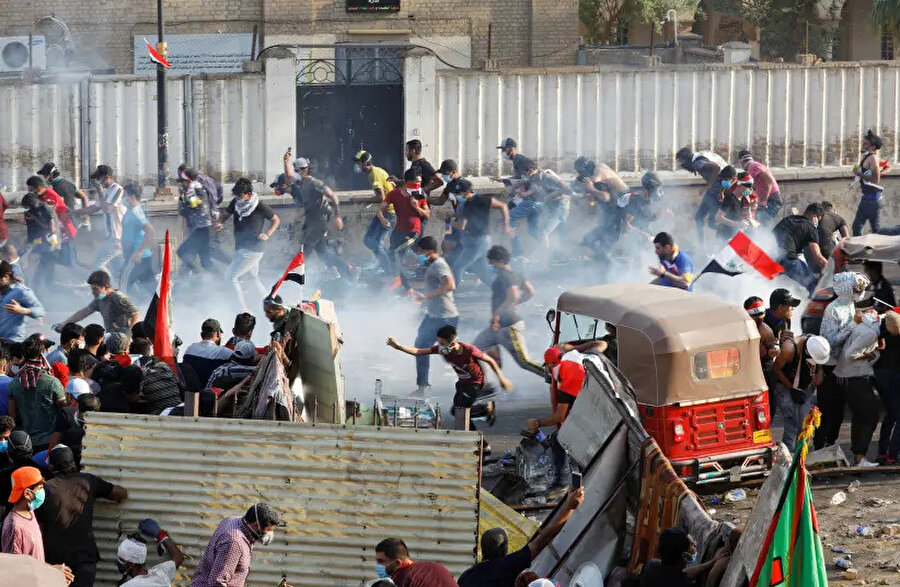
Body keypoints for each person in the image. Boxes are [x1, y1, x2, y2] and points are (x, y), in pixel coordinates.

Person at [387, 325, 512, 441]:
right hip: (462, 384)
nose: (439, 346)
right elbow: (419, 352)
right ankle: (482, 443)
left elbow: (490, 361)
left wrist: (502, 379)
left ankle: (484, 413)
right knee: (456, 412)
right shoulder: (442, 350)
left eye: (442, 343)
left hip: (475, 383)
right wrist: (399, 347)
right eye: (438, 342)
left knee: (461, 411)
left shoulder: (469, 350)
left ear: (452, 344)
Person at [37, 444, 128, 587]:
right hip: (84, 560)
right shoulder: (88, 481)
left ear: (51, 466)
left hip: (55, 562)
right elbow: (120, 494)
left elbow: (39, 525)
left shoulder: (45, 489)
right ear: (73, 463)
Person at [458, 488, 584, 587]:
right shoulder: (507, 566)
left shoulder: (466, 576)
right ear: (504, 549)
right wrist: (569, 508)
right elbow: (543, 540)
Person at [473, 245, 543, 377]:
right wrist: (513, 304)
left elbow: (514, 295)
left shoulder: (504, 276)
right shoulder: (515, 273)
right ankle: (485, 385)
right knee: (475, 350)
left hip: (508, 326)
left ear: (499, 261)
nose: (489, 263)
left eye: (492, 261)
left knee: (524, 362)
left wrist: (498, 313)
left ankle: (555, 377)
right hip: (497, 327)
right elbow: (530, 291)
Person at [527, 351, 587, 498]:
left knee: (558, 441)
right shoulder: (573, 367)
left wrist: (537, 423)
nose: (547, 371)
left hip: (586, 422)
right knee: (559, 440)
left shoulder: (567, 379)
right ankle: (580, 484)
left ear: (551, 364)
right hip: (586, 417)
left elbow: (559, 416)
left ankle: (561, 485)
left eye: (547, 366)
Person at [283, 154, 352, 280]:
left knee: (303, 252)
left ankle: (292, 279)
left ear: (305, 170)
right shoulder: (301, 183)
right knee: (324, 254)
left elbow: (333, 196)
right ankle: (347, 270)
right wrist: (286, 162)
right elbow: (289, 179)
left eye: (297, 170)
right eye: (295, 170)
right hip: (310, 222)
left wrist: (337, 216)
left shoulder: (315, 183)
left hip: (318, 222)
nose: (295, 173)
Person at [216, 178, 280, 312]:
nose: (238, 198)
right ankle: (272, 305)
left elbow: (276, 220)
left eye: (240, 196)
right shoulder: (235, 203)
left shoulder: (259, 205)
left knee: (231, 276)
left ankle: (243, 309)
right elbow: (225, 215)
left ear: (249, 194)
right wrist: (220, 222)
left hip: (253, 249)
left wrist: (267, 234)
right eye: (236, 196)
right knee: (253, 279)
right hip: (240, 247)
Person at [406, 236, 459, 397]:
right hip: (434, 316)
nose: (418, 253)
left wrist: (426, 296)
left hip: (445, 317)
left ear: (428, 251)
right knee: (421, 346)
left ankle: (474, 379)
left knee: (450, 353)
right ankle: (423, 387)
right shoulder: (431, 264)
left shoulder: (439, 265)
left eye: (420, 251)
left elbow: (450, 285)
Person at [191, 503, 283, 587]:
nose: (270, 534)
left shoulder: (232, 521)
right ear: (256, 526)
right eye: (268, 530)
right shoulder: (235, 543)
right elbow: (217, 583)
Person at [834, 310, 883, 467]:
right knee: (871, 416)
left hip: (850, 378)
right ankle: (860, 457)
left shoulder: (867, 326)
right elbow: (850, 354)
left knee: (860, 417)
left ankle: (858, 456)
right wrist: (869, 356)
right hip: (855, 379)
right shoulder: (871, 333)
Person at [772, 334, 830, 451]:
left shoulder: (818, 346)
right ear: (807, 351)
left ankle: (802, 452)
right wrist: (792, 388)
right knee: (791, 422)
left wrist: (819, 372)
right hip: (785, 384)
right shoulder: (789, 349)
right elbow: (776, 369)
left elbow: (819, 366)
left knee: (805, 422)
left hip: (806, 385)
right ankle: (789, 455)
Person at [8, 334, 66, 451]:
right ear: (41, 355)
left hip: (26, 442)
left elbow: (12, 417)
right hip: (50, 442)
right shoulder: (52, 382)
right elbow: (63, 410)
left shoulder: (14, 383)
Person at [450, 179, 511, 287]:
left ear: (468, 191)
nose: (459, 196)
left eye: (460, 193)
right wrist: (451, 216)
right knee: (482, 271)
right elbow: (466, 216)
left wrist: (506, 225)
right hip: (479, 240)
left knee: (458, 266)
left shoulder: (481, 200)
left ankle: (450, 292)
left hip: (478, 240)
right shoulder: (468, 204)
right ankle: (502, 289)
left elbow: (503, 206)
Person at [56, 270, 140, 336]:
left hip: (122, 339)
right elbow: (84, 312)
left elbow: (135, 314)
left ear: (106, 286)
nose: (93, 292)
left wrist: (129, 335)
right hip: (112, 338)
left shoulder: (118, 297)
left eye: (95, 289)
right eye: (92, 289)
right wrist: (65, 323)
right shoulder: (99, 300)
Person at [639, 527, 728, 587]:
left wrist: (712, 562)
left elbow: (682, 574)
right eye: (692, 545)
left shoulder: (651, 567)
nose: (695, 544)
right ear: (685, 555)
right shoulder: (684, 584)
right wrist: (716, 570)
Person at [352, 150, 396, 271]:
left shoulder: (374, 174)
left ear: (365, 163)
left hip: (389, 212)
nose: (356, 166)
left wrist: (363, 200)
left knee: (377, 243)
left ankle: (388, 269)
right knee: (368, 240)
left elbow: (381, 197)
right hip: (385, 211)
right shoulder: (374, 172)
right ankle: (385, 261)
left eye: (358, 163)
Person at [382, 168, 430, 276]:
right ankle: (397, 277)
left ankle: (425, 271)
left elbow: (427, 214)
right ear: (408, 182)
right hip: (399, 230)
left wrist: (417, 207)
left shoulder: (420, 195)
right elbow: (382, 207)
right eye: (417, 182)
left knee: (399, 252)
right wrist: (383, 215)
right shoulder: (394, 194)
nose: (419, 184)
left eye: (420, 182)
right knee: (392, 254)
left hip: (413, 231)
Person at [675, 147, 728, 246]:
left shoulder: (697, 163)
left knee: (712, 222)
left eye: (682, 162)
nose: (683, 165)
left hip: (718, 191)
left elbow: (716, 167)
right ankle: (701, 245)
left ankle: (731, 234)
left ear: (687, 159)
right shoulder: (701, 155)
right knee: (699, 217)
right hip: (717, 189)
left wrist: (708, 185)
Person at [83, 164, 127, 278]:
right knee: (120, 271)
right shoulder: (106, 191)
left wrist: (99, 191)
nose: (97, 181)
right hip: (111, 237)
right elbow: (94, 208)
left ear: (107, 176)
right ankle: (129, 292)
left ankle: (111, 290)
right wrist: (72, 212)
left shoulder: (117, 189)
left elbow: (107, 209)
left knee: (97, 266)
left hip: (117, 238)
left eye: (99, 178)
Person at [772, 203, 827, 293]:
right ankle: (817, 303)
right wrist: (832, 269)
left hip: (770, 256)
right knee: (812, 283)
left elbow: (771, 235)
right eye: (818, 220)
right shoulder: (811, 228)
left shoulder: (788, 219)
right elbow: (817, 257)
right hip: (788, 259)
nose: (818, 223)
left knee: (774, 284)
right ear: (814, 216)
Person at [176, 167, 222, 275]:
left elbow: (191, 207)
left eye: (182, 181)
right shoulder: (195, 189)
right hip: (202, 228)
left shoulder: (194, 190)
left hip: (201, 229)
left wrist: (182, 198)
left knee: (182, 252)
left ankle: (200, 277)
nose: (181, 183)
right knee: (205, 262)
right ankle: (222, 280)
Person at [30, 175, 79, 274]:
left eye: (32, 189)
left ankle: (81, 280)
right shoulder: (44, 194)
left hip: (64, 231)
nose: (32, 192)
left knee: (69, 262)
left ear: (38, 187)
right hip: (57, 233)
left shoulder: (49, 197)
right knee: (49, 257)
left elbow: (52, 217)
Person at [116, 519, 185, 587]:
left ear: (131, 564)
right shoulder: (161, 573)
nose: (118, 563)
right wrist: (160, 535)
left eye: (122, 560)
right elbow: (178, 557)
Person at [374, 537, 459, 587]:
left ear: (398, 563)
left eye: (381, 561)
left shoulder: (400, 579)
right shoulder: (436, 567)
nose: (378, 565)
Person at [744, 296, 780, 414]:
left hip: (764, 370)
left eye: (761, 314)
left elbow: (772, 349)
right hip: (748, 371)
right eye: (755, 315)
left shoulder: (766, 330)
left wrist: (773, 351)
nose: (758, 318)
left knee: (768, 403)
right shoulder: (743, 328)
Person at [20, 189, 60, 294]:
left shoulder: (45, 209)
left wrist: (34, 219)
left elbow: (51, 229)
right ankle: (35, 284)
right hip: (41, 240)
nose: (28, 209)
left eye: (28, 206)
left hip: (50, 241)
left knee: (46, 263)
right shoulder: (35, 210)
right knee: (34, 261)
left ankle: (40, 286)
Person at [120, 185, 157, 294]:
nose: (122, 198)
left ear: (132, 197)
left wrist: (139, 252)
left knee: (123, 288)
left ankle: (123, 310)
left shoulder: (136, 213)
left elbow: (150, 231)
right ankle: (164, 306)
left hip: (135, 258)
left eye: (124, 195)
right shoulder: (130, 211)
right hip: (141, 257)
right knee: (151, 287)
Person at [875, 311, 900, 465]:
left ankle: (882, 453)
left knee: (890, 414)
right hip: (895, 377)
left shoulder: (883, 333)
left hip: (881, 376)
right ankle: (893, 454)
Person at [0, 260, 45, 343]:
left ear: (6, 277)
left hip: (13, 343)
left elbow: (40, 311)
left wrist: (22, 310)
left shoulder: (21, 291)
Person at [851, 128, 886, 235]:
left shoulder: (873, 158)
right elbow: (888, 165)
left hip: (873, 201)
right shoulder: (866, 157)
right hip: (865, 199)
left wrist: (859, 173)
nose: (862, 146)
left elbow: (876, 180)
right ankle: (859, 250)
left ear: (872, 147)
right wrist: (882, 171)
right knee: (856, 227)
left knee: (877, 230)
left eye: (865, 144)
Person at [183, 319, 233, 388]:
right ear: (218, 334)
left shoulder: (190, 349)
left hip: (189, 394)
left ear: (201, 335)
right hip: (212, 396)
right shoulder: (224, 352)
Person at [737, 149, 781, 225]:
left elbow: (769, 182)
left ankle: (767, 236)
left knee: (761, 225)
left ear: (741, 161)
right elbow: (754, 190)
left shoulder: (753, 166)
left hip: (771, 199)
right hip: (768, 199)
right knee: (757, 224)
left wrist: (764, 200)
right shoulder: (751, 169)